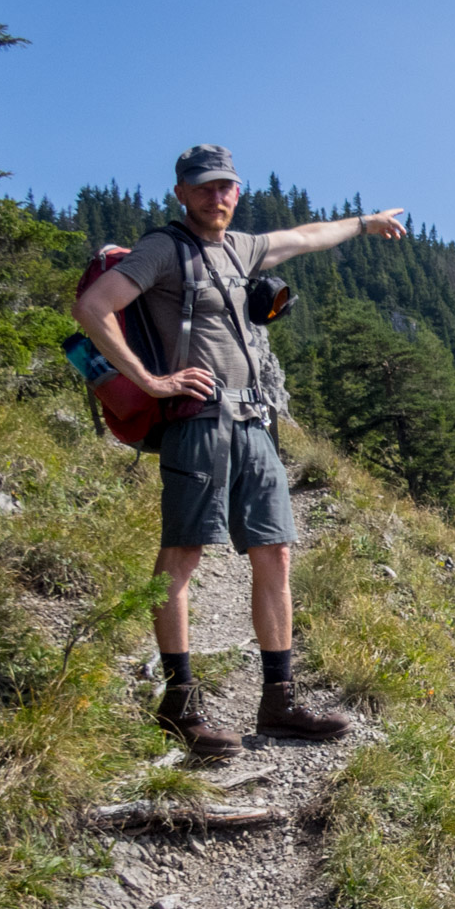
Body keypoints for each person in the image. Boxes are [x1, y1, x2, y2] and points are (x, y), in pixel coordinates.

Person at [72, 144, 406, 761]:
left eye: (224, 186)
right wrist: (151, 380)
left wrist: (366, 222)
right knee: (183, 554)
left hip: (255, 420)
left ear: (237, 190)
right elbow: (93, 308)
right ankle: (180, 704)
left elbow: (306, 236)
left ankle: (277, 701)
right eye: (202, 187)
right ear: (181, 192)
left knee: (274, 552)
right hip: (196, 420)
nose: (215, 196)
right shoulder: (162, 250)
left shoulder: (241, 247)